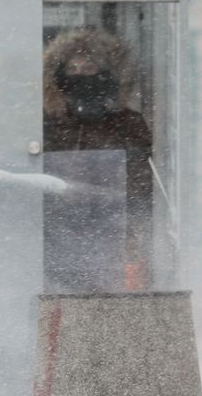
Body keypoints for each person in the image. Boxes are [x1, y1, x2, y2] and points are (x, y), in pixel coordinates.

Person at [42, 28, 154, 290]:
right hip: (55, 232)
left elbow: (140, 181)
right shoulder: (47, 123)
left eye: (89, 66)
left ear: (108, 74)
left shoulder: (128, 123)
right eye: (73, 68)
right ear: (58, 74)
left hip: (109, 232)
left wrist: (127, 214)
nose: (80, 74)